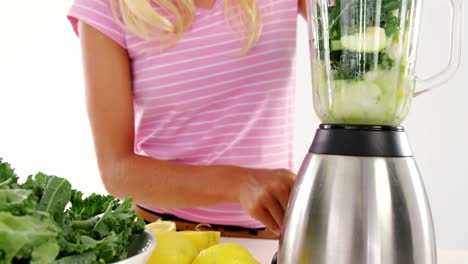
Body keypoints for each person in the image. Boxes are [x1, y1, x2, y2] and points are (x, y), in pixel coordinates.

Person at [67, 0, 306, 238]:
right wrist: (240, 183)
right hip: (163, 238)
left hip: (271, 239)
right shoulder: (106, 5)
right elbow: (116, 171)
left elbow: (342, 33)